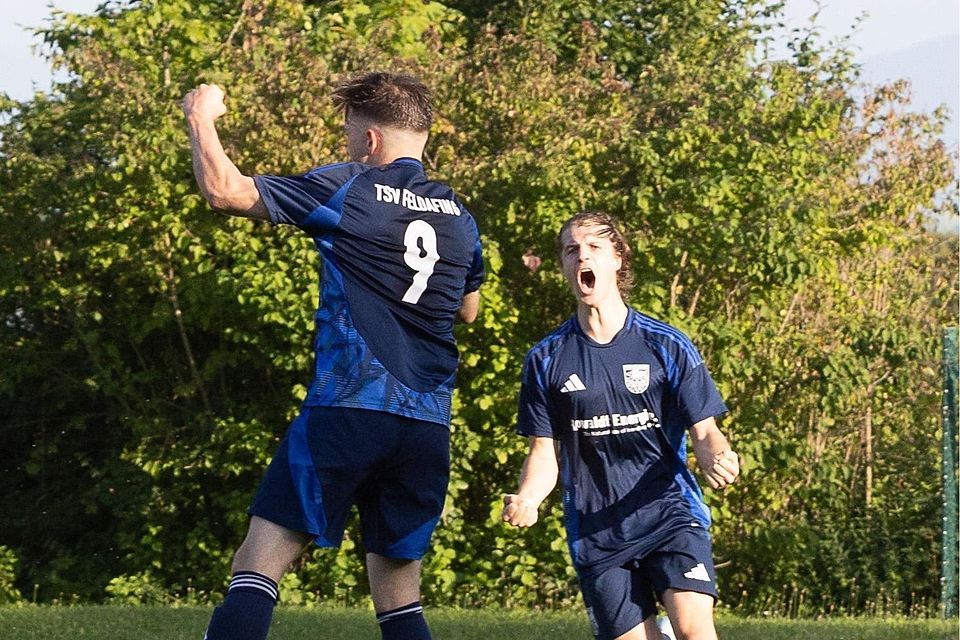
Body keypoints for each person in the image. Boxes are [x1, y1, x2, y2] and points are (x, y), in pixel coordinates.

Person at [182, 72, 485, 640]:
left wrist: (201, 117)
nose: (347, 146)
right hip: (425, 424)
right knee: (400, 599)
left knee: (257, 564)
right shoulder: (459, 216)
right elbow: (467, 310)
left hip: (348, 409)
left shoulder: (352, 187)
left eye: (349, 134)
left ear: (370, 140)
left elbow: (224, 190)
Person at [501, 212, 738, 640]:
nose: (581, 257)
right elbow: (543, 453)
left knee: (694, 630)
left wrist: (717, 459)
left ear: (618, 260)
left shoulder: (666, 344)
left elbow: (705, 431)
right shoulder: (546, 358)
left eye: (593, 248)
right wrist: (529, 498)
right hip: (597, 530)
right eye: (571, 250)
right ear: (563, 266)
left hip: (670, 514)